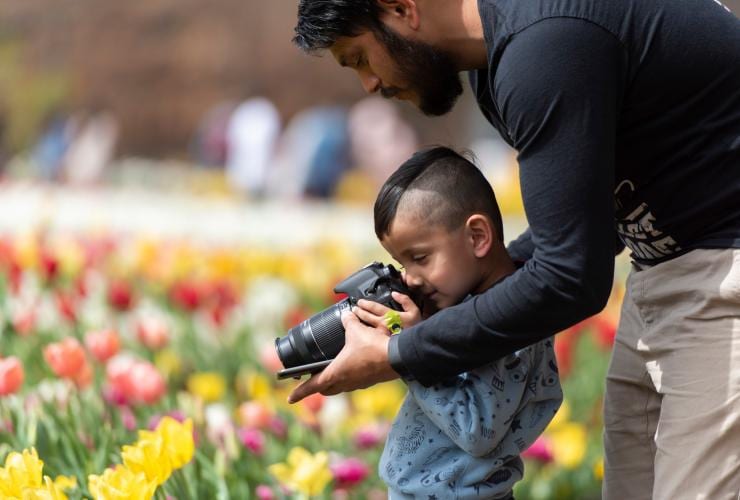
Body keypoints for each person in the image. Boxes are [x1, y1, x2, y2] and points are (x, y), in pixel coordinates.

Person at [289, 1, 740, 499]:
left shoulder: (544, 45)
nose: (369, 85)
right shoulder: (500, 62)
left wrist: (400, 353)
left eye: (358, 58)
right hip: (663, 271)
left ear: (400, 8)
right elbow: (582, 228)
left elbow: (570, 277)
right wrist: (453, 281)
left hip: (723, 269)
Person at [356, 146, 562, 499]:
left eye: (420, 258)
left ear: (477, 237)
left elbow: (477, 430)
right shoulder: (469, 306)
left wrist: (409, 353)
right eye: (403, 264)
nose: (411, 279)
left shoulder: (511, 330)